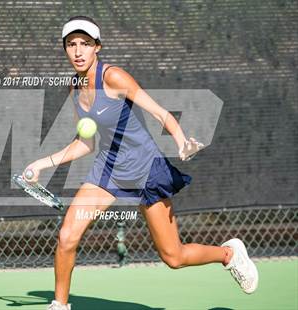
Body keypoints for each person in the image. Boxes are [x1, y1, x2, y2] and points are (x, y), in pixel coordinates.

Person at [23, 16, 259, 310]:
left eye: (85, 43)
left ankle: (228, 254)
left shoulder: (114, 77)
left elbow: (161, 114)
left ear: (97, 47)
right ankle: (59, 305)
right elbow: (86, 142)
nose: (78, 51)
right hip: (108, 171)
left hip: (146, 170)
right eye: (71, 44)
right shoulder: (74, 88)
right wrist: (43, 163)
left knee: (174, 257)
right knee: (67, 235)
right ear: (65, 49)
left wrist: (181, 141)